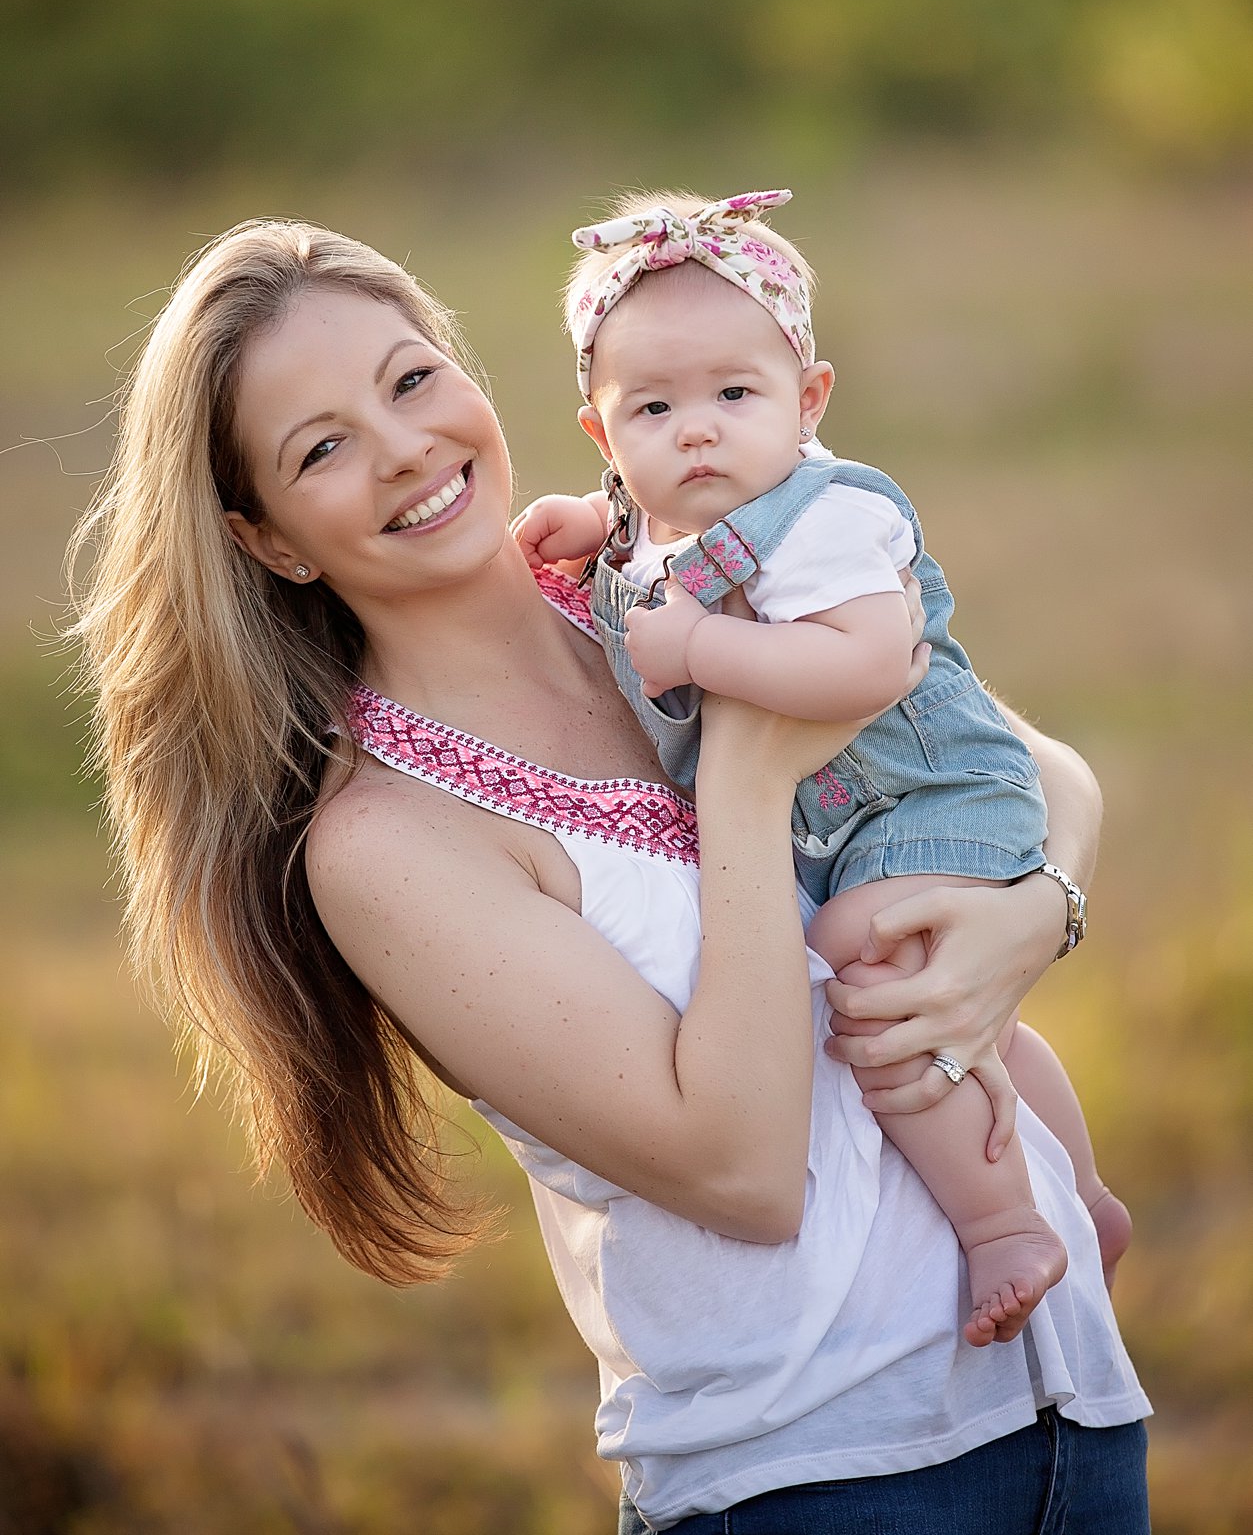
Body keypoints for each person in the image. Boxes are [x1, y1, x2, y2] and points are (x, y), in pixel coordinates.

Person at [71, 220, 1149, 1533]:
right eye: (322, 448)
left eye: (411, 380)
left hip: (1076, 1407)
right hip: (820, 1477)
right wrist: (746, 788)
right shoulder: (390, 844)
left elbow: (1032, 768)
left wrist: (1036, 915)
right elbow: (742, 1173)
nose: (406, 446)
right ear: (273, 539)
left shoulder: (657, 579)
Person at [514, 188, 1132, 1351]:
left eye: (734, 396)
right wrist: (589, 525)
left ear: (807, 401)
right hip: (845, 823)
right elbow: (649, 541)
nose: (696, 431)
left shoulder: (829, 515)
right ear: (602, 435)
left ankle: (1004, 1223)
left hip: (929, 789)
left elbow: (867, 661)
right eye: (652, 407)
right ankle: (1083, 1197)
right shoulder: (653, 515)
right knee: (964, 1011)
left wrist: (695, 645)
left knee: (876, 974)